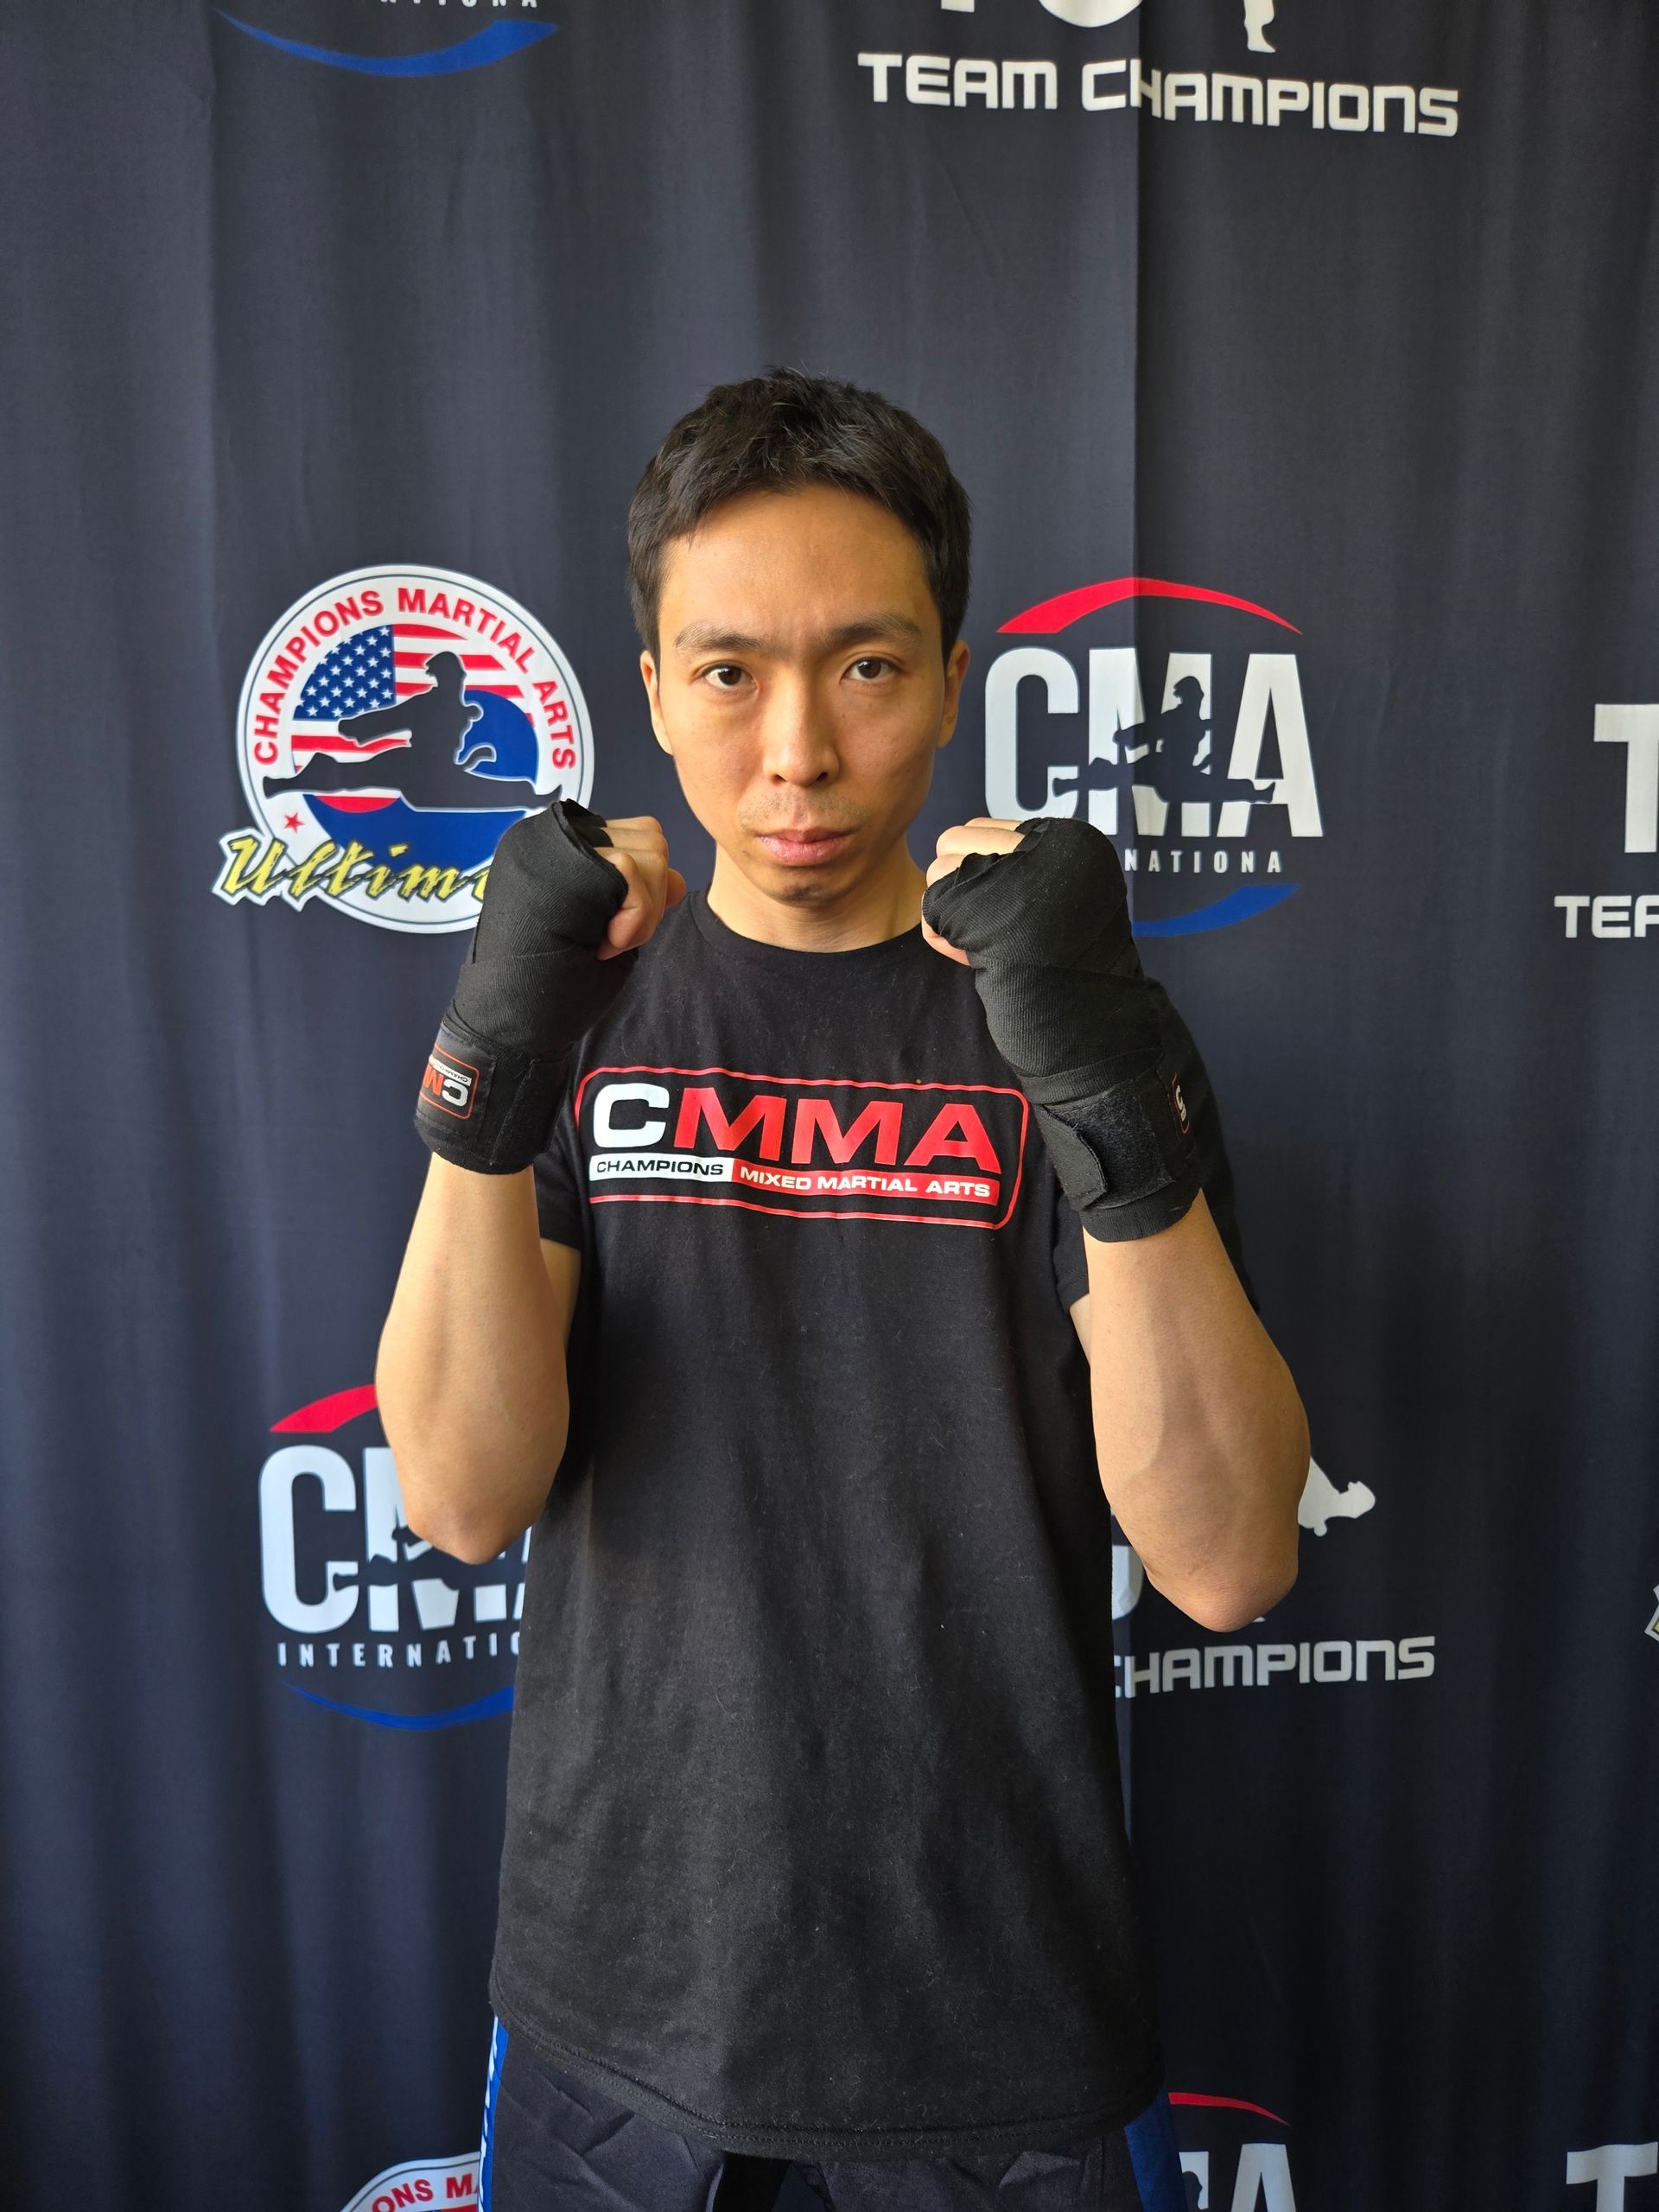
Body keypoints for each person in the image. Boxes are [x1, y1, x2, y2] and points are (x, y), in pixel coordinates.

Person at [375, 368, 1309, 2211]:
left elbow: (1227, 1556)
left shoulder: (1063, 1025)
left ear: (954, 678)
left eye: (867, 666)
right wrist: (491, 1057)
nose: (796, 747)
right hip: (618, 2013)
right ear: (647, 687)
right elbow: (463, 1496)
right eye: (728, 671)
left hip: (997, 2018)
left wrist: (1102, 1089)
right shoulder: (581, 1016)